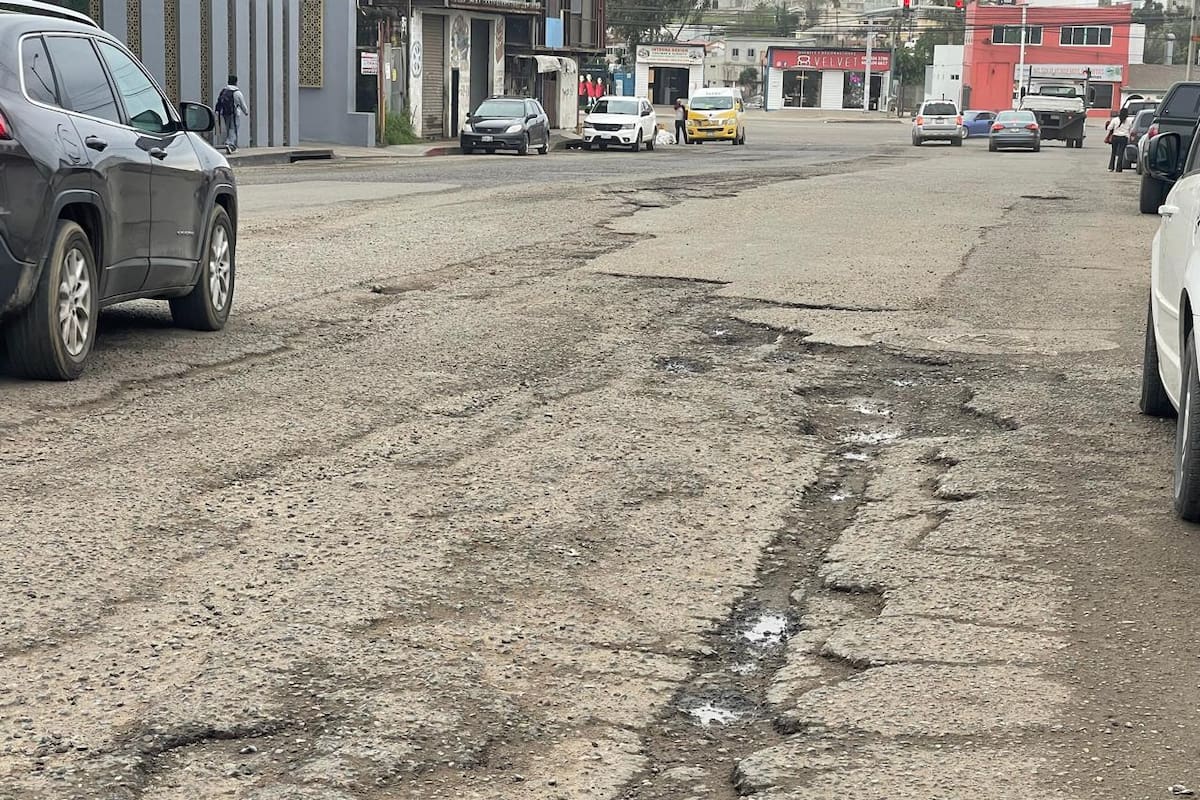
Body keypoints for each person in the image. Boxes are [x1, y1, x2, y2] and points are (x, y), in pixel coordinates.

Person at [215, 75, 249, 153]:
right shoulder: (237, 92)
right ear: (236, 82)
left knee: (227, 129)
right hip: (235, 114)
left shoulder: (224, 91)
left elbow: (219, 101)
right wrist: (246, 112)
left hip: (225, 113)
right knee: (233, 129)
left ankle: (227, 143)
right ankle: (230, 144)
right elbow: (242, 104)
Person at [1106, 107, 1133, 173]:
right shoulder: (1129, 121)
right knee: (1121, 153)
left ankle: (1111, 167)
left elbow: (1109, 128)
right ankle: (1119, 168)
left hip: (1115, 137)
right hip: (1124, 138)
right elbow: (1131, 129)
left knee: (1113, 153)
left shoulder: (1115, 120)